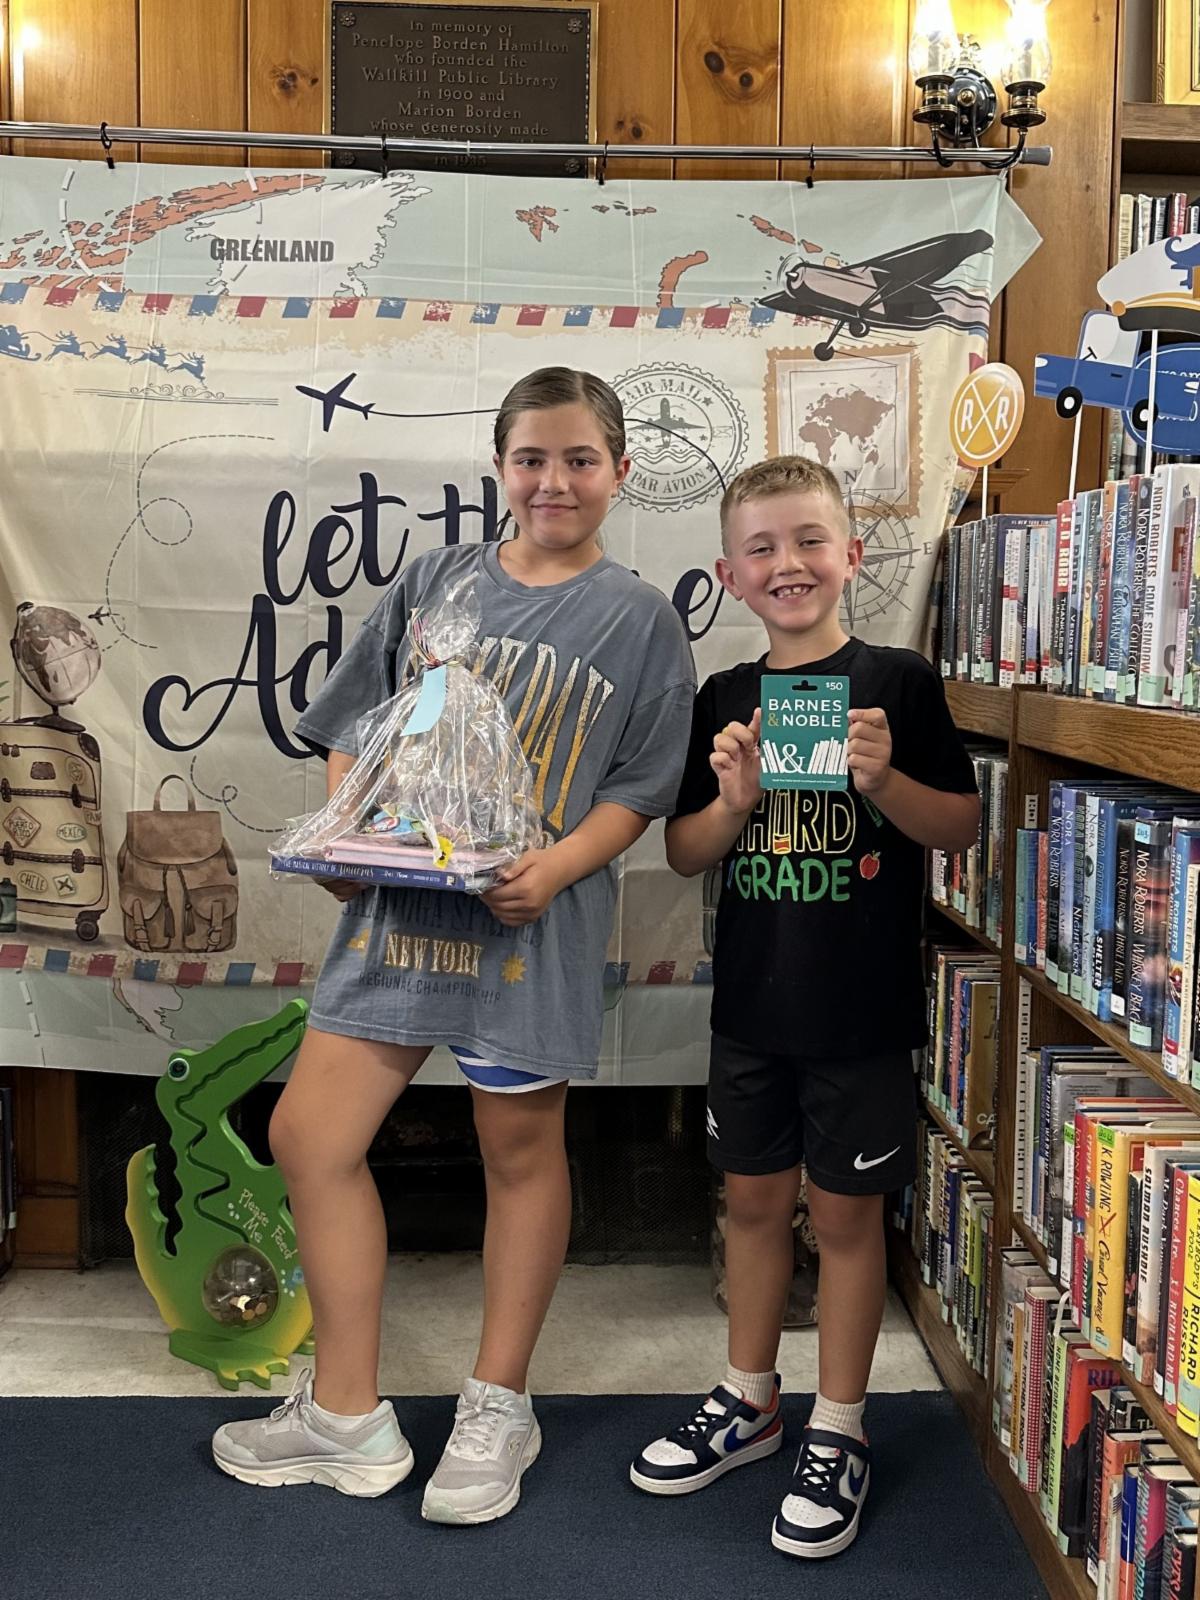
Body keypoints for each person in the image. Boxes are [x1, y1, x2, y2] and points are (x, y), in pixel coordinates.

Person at [212, 366, 695, 1524]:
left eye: (579, 459)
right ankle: (347, 1413)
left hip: (531, 927)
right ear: (498, 468)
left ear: (621, 472)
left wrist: (559, 867)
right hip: (399, 914)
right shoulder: (434, 582)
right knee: (308, 1134)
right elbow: (355, 729)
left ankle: (497, 1402)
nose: (554, 480)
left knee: (519, 1153)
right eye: (531, 458)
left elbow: (638, 787)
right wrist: (349, 835)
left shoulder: (638, 618)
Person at [629, 455, 979, 1559]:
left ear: (852, 556)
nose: (789, 563)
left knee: (846, 1219)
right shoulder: (725, 698)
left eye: (810, 540)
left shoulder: (899, 680)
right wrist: (734, 802)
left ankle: (839, 1423)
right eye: (763, 548)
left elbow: (960, 826)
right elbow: (685, 852)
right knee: (750, 1202)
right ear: (732, 573)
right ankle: (749, 1396)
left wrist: (883, 783)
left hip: (862, 1014)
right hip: (752, 1010)